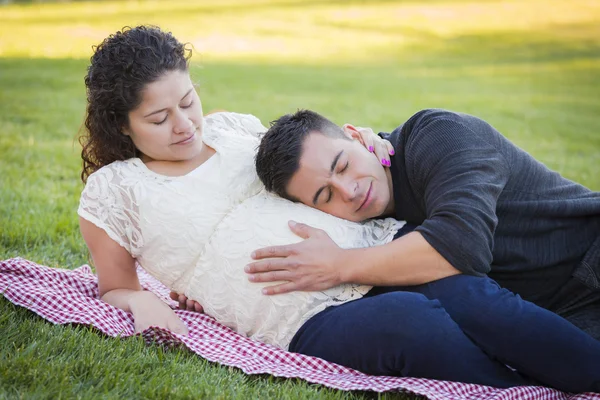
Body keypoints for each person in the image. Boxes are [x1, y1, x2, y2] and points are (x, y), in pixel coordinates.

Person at [78, 26, 592, 392]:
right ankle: (523, 388)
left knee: (472, 297)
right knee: (412, 325)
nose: (185, 125)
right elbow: (116, 284)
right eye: (159, 118)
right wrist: (149, 301)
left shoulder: (232, 127)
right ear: (123, 126)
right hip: (301, 311)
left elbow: (305, 159)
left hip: (378, 249)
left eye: (188, 102)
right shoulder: (114, 190)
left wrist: (368, 146)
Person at [250, 109, 600, 392]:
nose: (349, 191)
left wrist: (340, 265)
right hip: (563, 316)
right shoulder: (363, 227)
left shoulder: (439, 135)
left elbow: (461, 245)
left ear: (357, 136)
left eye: (342, 165)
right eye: (325, 196)